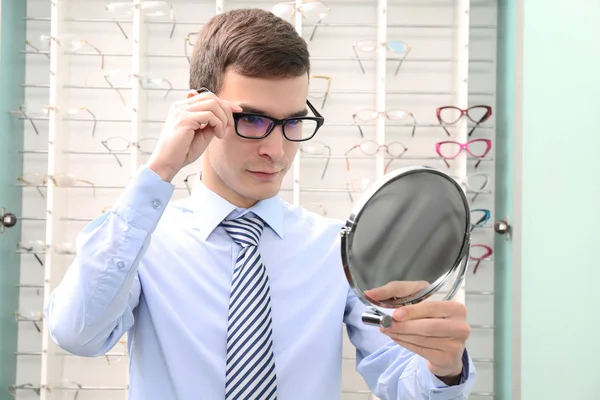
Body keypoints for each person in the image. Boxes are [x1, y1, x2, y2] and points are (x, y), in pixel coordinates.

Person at [45, 8, 476, 400]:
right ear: (201, 110)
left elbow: (402, 383)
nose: (277, 150)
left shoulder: (338, 249)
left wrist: (443, 367)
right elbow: (77, 334)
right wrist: (160, 170)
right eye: (251, 119)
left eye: (292, 123)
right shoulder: (138, 241)